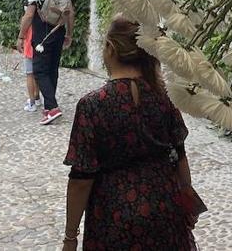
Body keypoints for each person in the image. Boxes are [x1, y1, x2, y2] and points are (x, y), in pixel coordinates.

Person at [63, 16, 198, 251]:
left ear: (110, 48)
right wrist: (187, 201)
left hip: (114, 216)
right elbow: (180, 156)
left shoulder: (93, 105)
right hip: (165, 209)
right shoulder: (163, 97)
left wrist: (70, 237)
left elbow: (81, 180)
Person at [20, 0, 73, 125]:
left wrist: (21, 36)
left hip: (41, 38)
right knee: (52, 70)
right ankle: (50, 108)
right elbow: (71, 13)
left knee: (39, 71)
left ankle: (53, 107)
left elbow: (29, 15)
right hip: (58, 34)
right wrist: (69, 34)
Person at [22, 28, 39, 113]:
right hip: (39, 49)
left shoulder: (28, 17)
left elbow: (23, 32)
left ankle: (32, 103)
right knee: (38, 74)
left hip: (29, 48)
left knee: (29, 75)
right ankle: (37, 97)